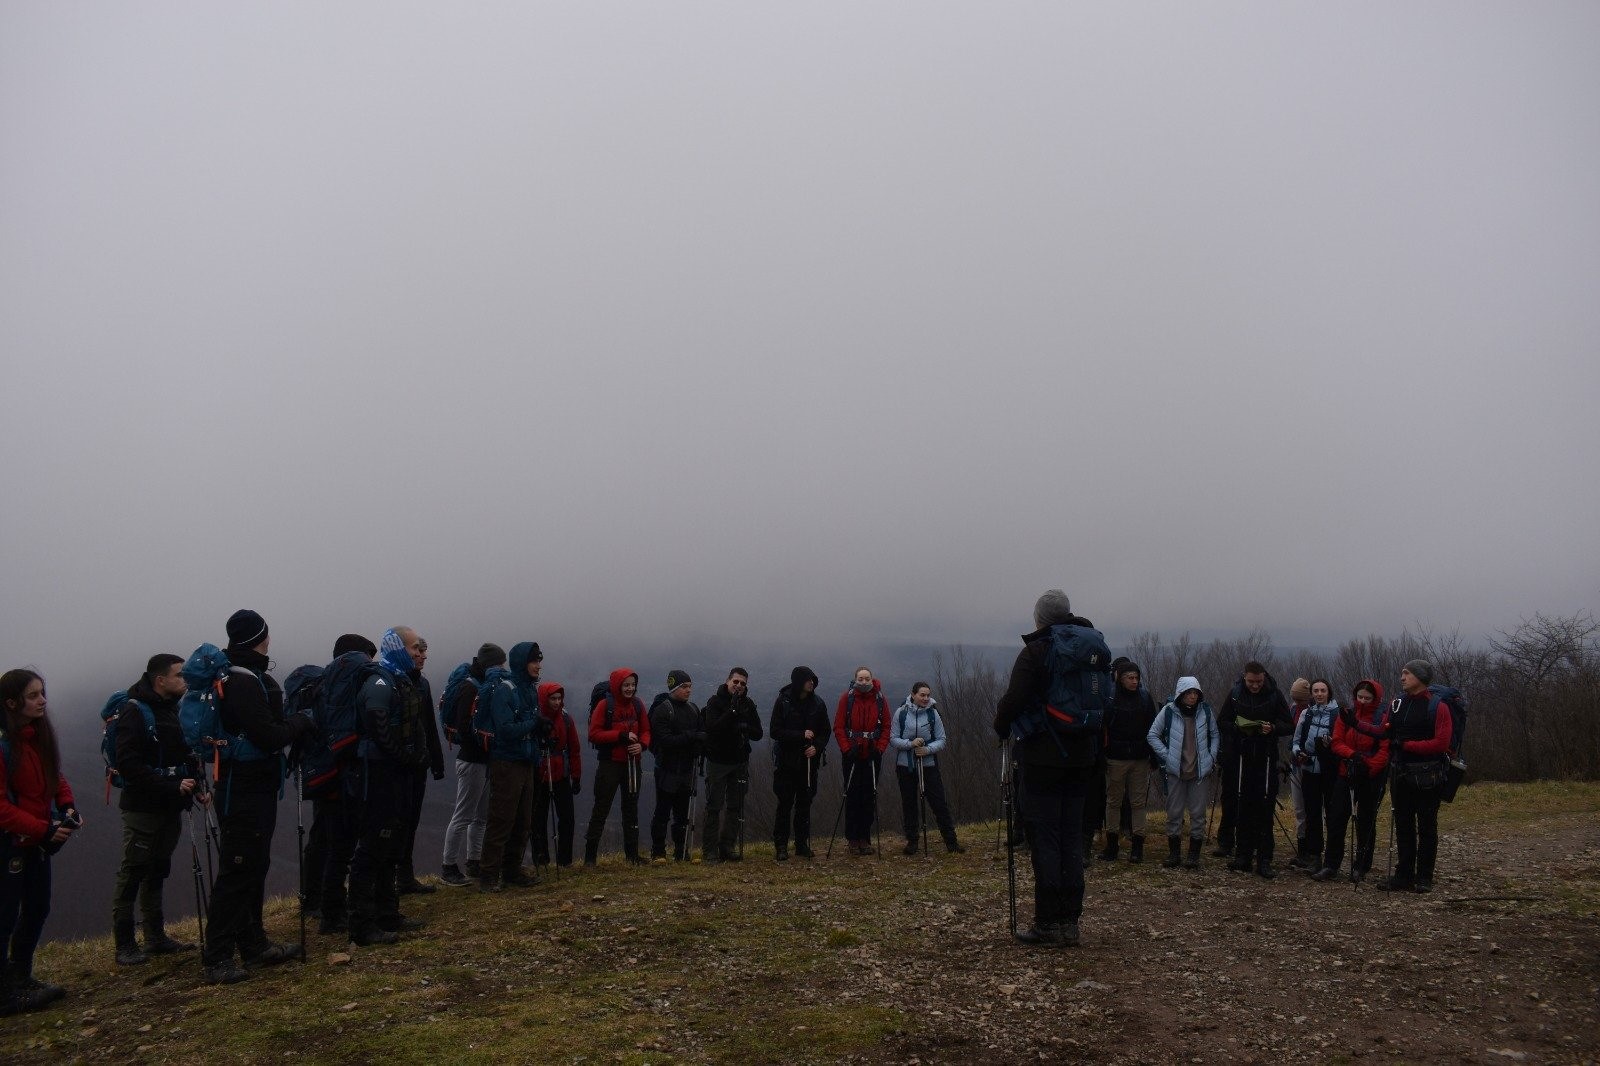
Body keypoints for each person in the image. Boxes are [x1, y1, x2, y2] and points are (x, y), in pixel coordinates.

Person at [200, 610, 315, 984]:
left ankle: (253, 943)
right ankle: (217, 956)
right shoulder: (243, 681)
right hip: (244, 788)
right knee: (238, 868)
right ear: (261, 637)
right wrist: (302, 722)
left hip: (247, 785)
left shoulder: (239, 676)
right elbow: (268, 735)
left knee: (254, 864)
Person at [993, 589, 1102, 947]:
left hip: (1042, 757)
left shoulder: (1037, 651)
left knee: (1046, 838)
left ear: (1039, 617)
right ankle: (1070, 921)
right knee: (1071, 834)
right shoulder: (1091, 647)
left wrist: (1001, 725)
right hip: (1083, 755)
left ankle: (1048, 922)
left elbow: (1013, 701)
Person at [109, 653, 203, 966]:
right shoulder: (135, 711)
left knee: (157, 868)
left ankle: (155, 937)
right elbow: (128, 763)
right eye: (179, 675)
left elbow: (182, 756)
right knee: (133, 870)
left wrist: (197, 788)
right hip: (143, 808)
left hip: (169, 806)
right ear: (159, 680)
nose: (184, 681)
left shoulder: (170, 710)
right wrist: (169, 785)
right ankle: (124, 944)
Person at [346, 626, 432, 946]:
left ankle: (387, 914)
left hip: (395, 774)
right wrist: (403, 757)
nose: (419, 653)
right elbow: (377, 726)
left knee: (391, 844)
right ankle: (362, 924)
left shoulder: (402, 681)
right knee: (372, 847)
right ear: (397, 648)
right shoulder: (380, 681)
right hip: (378, 775)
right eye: (413, 647)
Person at [0, 669, 78, 1014]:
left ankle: (20, 977)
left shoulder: (35, 738)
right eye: (33, 695)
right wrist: (42, 829)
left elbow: (54, 776)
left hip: (34, 842)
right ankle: (4, 993)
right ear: (11, 702)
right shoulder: (4, 745)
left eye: (42, 693)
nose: (42, 700)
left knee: (37, 907)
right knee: (4, 917)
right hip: (10, 845)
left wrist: (67, 806)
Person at [306, 633, 376, 934]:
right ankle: (334, 911)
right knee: (343, 846)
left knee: (330, 843)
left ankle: (323, 907)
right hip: (346, 773)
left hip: (324, 773)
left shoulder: (323, 685)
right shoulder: (346, 685)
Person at [1375, 661, 1452, 893]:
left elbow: (1441, 744)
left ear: (1420, 676)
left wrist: (1406, 745)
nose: (1402, 677)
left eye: (1406, 673)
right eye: (1402, 673)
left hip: (1429, 775)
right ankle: (1404, 875)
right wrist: (1356, 724)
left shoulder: (1438, 707)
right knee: (1403, 824)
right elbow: (1383, 731)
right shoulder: (1396, 704)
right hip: (1400, 773)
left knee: (1427, 826)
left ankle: (1424, 877)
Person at [476, 642, 547, 891]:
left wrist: (539, 730)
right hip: (506, 762)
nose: (538, 665)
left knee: (523, 820)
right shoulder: (505, 690)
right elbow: (504, 730)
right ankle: (488, 876)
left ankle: (511, 871)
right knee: (501, 819)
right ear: (521, 663)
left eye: (539, 660)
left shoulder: (528, 689)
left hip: (525, 760)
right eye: (534, 661)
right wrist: (534, 724)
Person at [1216, 661, 1291, 879]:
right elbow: (1222, 721)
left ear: (1264, 677)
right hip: (1242, 758)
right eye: (1251, 682)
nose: (1255, 686)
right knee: (1243, 808)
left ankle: (1264, 859)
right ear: (1244, 678)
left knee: (1265, 810)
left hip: (1266, 758)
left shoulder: (1275, 695)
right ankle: (1242, 856)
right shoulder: (1236, 693)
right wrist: (1238, 728)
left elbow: (1289, 724)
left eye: (1258, 682)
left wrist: (1273, 728)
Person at [439, 643, 504, 888]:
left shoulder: (477, 684)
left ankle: (473, 861)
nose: (502, 668)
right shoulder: (470, 688)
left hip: (480, 760)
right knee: (464, 815)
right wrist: (486, 738)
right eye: (499, 664)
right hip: (472, 760)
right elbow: (465, 728)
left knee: (480, 816)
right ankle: (449, 867)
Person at [1147, 676, 1218, 870]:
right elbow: (1152, 734)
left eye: (1195, 693)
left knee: (1198, 814)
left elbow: (1215, 735)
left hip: (1199, 771)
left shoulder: (1205, 712)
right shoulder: (1169, 711)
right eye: (1189, 693)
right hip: (1176, 771)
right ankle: (1174, 854)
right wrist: (1167, 756)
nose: (1193, 697)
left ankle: (1193, 855)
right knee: (1174, 813)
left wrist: (1211, 758)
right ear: (1181, 694)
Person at [1324, 679, 1389, 883]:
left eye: (1367, 698)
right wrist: (1354, 756)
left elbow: (1385, 749)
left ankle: (1361, 866)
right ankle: (1331, 864)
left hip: (1371, 776)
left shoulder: (1382, 717)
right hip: (1346, 771)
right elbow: (1336, 742)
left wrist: (1368, 767)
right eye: (1360, 697)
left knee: (1366, 821)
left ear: (1376, 699)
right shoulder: (1345, 714)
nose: (1362, 701)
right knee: (1336, 818)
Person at [584, 668, 651, 866]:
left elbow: (646, 730)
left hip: (633, 763)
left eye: (632, 685)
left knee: (631, 808)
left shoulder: (638, 705)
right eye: (626, 685)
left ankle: (632, 855)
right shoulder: (605, 705)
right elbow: (593, 734)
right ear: (617, 685)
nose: (630, 688)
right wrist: (621, 736)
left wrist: (642, 745)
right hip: (610, 764)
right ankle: (590, 858)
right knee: (601, 808)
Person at [889, 683, 963, 856]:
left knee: (939, 803)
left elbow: (942, 739)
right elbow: (893, 739)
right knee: (909, 803)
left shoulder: (933, 713)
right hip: (905, 765)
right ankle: (912, 841)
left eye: (927, 695)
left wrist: (927, 750)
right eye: (922, 695)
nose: (925, 698)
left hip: (929, 764)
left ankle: (951, 842)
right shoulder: (901, 713)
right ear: (913, 694)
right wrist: (910, 744)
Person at [396, 636, 444, 896]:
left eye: (425, 651)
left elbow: (428, 725)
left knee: (411, 821)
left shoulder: (422, 684)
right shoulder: (391, 680)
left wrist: (435, 761)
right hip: (398, 765)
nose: (424, 656)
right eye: (418, 650)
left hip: (418, 763)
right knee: (396, 822)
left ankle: (404, 877)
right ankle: (391, 879)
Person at [700, 668, 762, 863]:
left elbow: (758, 733)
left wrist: (745, 727)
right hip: (718, 761)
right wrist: (732, 712)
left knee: (736, 806)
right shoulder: (715, 702)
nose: (739, 686)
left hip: (739, 760)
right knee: (714, 806)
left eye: (743, 683)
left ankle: (727, 846)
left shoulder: (748, 704)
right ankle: (709, 850)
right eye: (736, 682)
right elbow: (712, 729)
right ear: (728, 681)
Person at [1100, 661, 1157, 863]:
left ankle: (1137, 847)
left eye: (1136, 678)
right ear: (1120, 678)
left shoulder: (1144, 698)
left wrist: (1154, 756)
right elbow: (1103, 729)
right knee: (1113, 802)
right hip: (1116, 758)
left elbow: (1153, 728)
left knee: (1138, 803)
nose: (1134, 681)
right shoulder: (1110, 699)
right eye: (1129, 678)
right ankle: (1112, 845)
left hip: (1139, 758)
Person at [770, 667, 828, 862]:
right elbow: (775, 731)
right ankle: (781, 845)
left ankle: (801, 845)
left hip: (808, 763)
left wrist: (817, 747)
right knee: (785, 804)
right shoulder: (783, 701)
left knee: (805, 804)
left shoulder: (818, 704)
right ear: (798, 681)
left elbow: (825, 732)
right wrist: (800, 735)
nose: (811, 683)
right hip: (787, 762)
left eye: (813, 679)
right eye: (807, 680)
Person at [648, 671, 705, 863]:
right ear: (673, 687)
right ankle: (658, 852)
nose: (688, 690)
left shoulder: (693, 709)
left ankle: (681, 851)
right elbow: (664, 740)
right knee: (663, 811)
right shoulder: (663, 710)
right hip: (667, 768)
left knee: (682, 813)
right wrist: (691, 737)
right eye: (684, 686)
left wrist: (699, 743)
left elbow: (699, 733)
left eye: (690, 686)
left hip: (687, 768)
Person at [833, 667, 890, 856]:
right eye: (861, 678)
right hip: (852, 756)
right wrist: (847, 749)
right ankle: (853, 839)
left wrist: (880, 749)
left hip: (872, 756)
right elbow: (839, 726)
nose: (864, 682)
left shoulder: (880, 700)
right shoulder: (846, 699)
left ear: (872, 680)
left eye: (867, 679)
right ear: (855, 679)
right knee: (852, 797)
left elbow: (886, 727)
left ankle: (865, 838)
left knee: (868, 797)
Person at [1290, 679, 1340, 879]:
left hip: (1330, 771)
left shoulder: (1337, 715)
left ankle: (1330, 860)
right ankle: (1314, 857)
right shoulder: (1306, 714)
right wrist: (1298, 752)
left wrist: (1331, 747)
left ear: (1329, 692)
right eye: (1316, 691)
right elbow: (1295, 741)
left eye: (1323, 690)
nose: (1319, 694)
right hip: (1309, 769)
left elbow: (1341, 743)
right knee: (1312, 814)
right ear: (1311, 693)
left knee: (1331, 814)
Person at [530, 681, 580, 869]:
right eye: (553, 698)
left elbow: (574, 748)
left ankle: (565, 859)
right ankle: (541, 858)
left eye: (559, 698)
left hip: (561, 774)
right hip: (540, 773)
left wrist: (576, 776)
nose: (557, 702)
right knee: (538, 818)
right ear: (545, 698)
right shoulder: (535, 718)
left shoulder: (566, 719)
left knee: (567, 817)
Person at [1285, 677, 1313, 869]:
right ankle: (1302, 849)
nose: (1298, 703)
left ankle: (1312, 850)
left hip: (1311, 765)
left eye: (1301, 700)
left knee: (1311, 808)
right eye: (1296, 699)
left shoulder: (1313, 713)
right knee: (1299, 809)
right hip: (1295, 763)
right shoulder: (1293, 709)